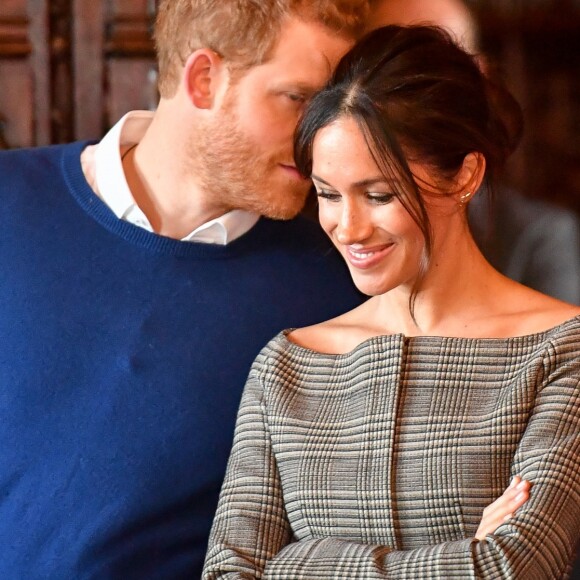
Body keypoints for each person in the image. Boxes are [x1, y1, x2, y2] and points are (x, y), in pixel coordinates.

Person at [0, 1, 370, 578]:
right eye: (298, 100)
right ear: (204, 79)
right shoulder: (8, 202)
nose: (318, 137)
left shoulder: (341, 292)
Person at [203, 25, 580, 579]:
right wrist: (462, 560)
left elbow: (510, 570)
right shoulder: (286, 366)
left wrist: (296, 563)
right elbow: (226, 573)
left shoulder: (561, 351)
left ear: (465, 176)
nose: (347, 227)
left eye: (378, 195)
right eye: (328, 195)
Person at [365, 0, 580, 305]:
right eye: (385, 65)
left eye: (427, 67)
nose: (402, 90)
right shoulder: (332, 232)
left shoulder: (539, 236)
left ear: (477, 75)